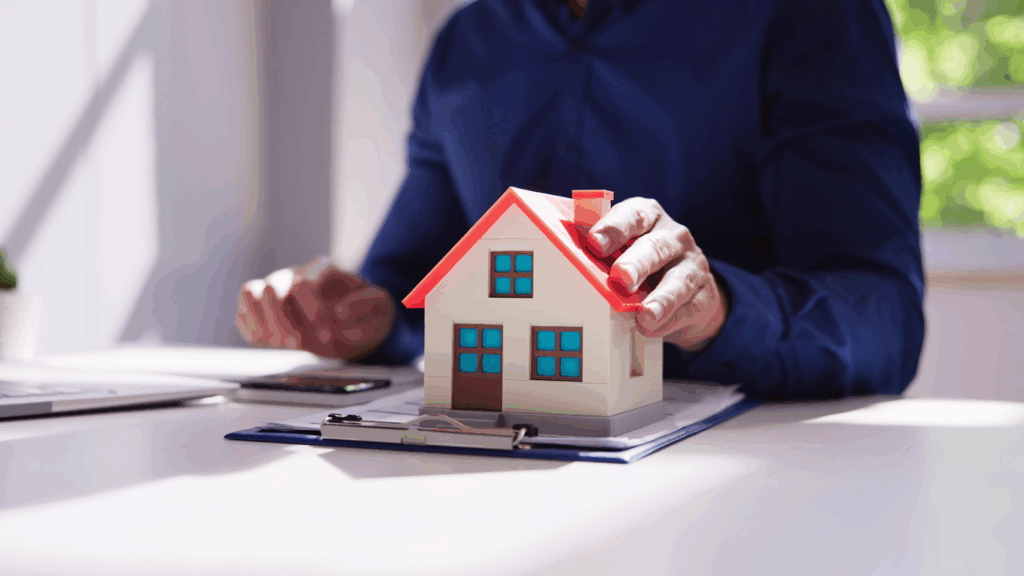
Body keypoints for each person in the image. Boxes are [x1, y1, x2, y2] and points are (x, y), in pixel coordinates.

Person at [235, 0, 924, 399]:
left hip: (741, 485)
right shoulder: (467, 44)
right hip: (490, 477)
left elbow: (884, 318)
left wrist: (719, 311)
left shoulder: (810, 16)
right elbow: (412, 287)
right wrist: (365, 317)